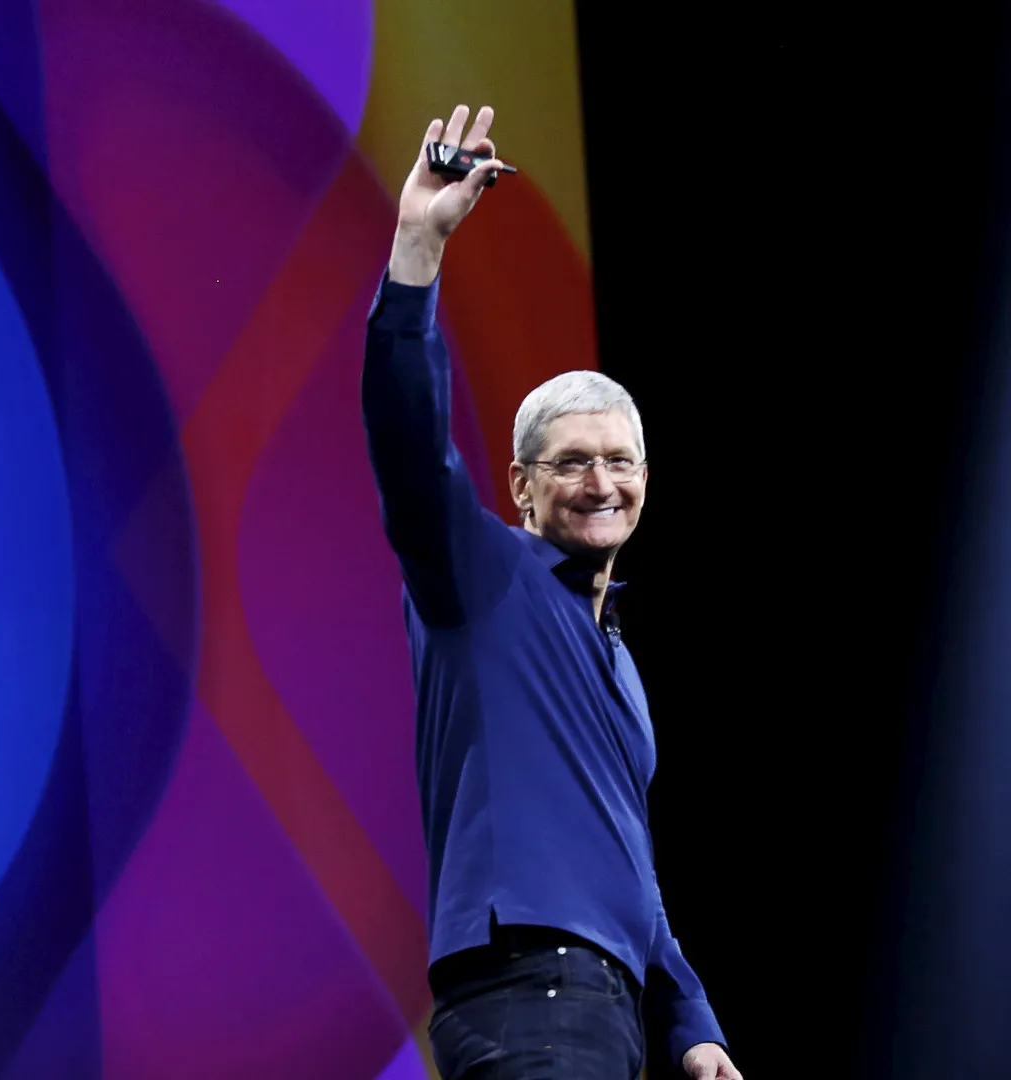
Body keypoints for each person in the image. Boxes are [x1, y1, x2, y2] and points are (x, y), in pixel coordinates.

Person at [360, 104, 742, 1080]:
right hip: (527, 988)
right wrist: (417, 247)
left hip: (603, 1007)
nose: (601, 482)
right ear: (521, 488)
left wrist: (693, 1022)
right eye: (571, 463)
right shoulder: (484, 577)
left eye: (621, 461)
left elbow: (631, 866)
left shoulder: (618, 661)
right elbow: (410, 447)